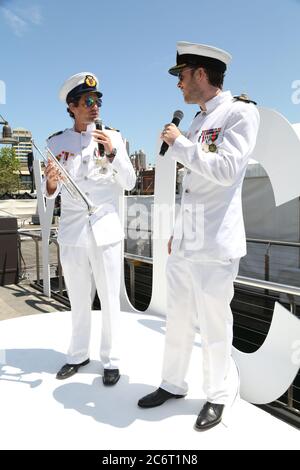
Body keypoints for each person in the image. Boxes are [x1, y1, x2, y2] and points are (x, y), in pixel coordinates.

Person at [138, 42, 260, 430]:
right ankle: (173, 383)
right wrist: (178, 230)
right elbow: (191, 186)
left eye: (182, 76)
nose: (179, 85)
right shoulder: (196, 120)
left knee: (213, 324)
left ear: (201, 75)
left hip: (216, 243)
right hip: (188, 239)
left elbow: (225, 171)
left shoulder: (240, 113)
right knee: (178, 317)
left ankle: (217, 395)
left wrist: (179, 143)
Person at [43, 72, 136, 385]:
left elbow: (130, 182)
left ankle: (111, 360)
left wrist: (112, 153)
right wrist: (50, 185)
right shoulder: (56, 143)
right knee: (78, 298)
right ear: (72, 106)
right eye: (87, 101)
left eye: (97, 100)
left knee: (110, 298)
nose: (95, 106)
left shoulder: (115, 138)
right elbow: (48, 191)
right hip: (72, 232)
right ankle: (77, 354)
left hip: (106, 230)